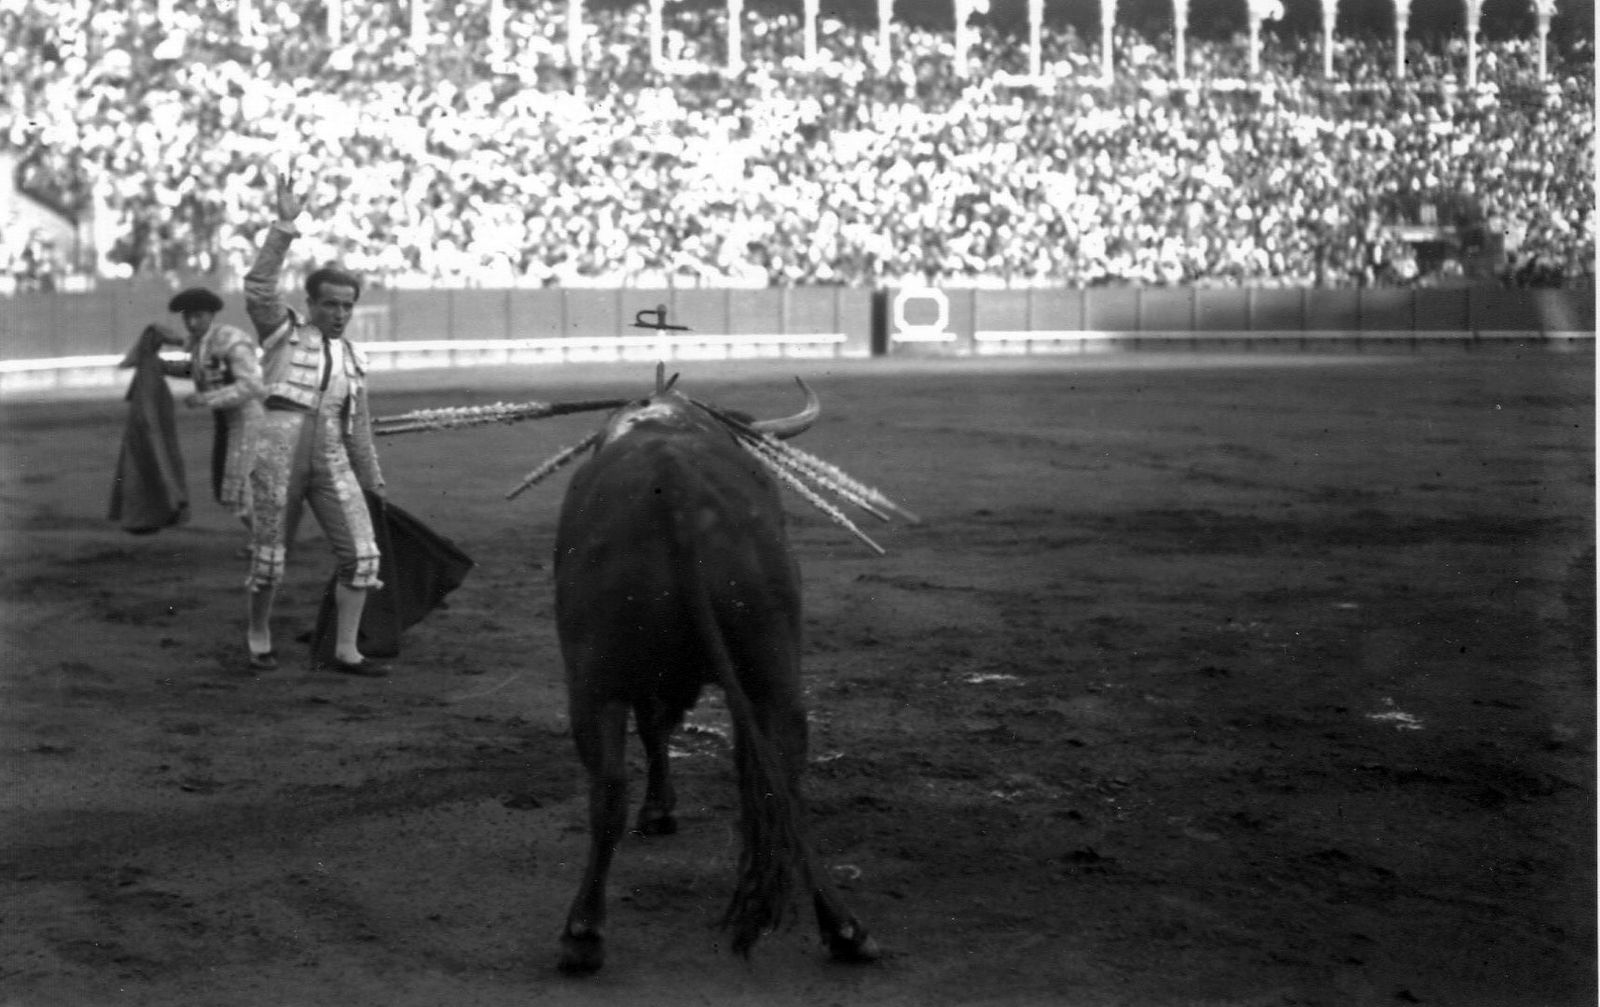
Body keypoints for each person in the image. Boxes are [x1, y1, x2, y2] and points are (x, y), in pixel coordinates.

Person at [242, 173, 388, 676]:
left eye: (347, 305)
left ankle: (346, 650)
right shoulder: (283, 332)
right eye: (330, 303)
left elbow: (358, 427)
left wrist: (371, 480)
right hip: (277, 451)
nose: (340, 313)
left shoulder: (353, 357)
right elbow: (258, 286)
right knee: (269, 560)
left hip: (329, 455)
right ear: (311, 304)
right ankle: (258, 632)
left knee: (363, 556)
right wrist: (283, 225)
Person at [163, 287, 265, 540]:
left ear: (211, 315)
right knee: (226, 489)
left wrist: (206, 398)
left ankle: (267, 543)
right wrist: (162, 366)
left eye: (197, 316)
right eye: (187, 317)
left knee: (236, 488)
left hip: (246, 420)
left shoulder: (232, 340)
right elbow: (197, 370)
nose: (191, 322)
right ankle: (266, 539)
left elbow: (251, 385)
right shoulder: (200, 343)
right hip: (226, 422)